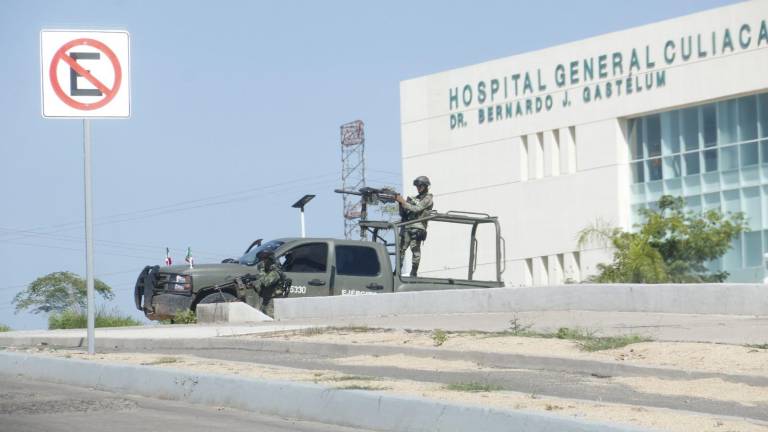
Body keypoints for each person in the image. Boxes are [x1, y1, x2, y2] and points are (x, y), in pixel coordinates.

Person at [396, 175, 434, 277]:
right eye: (417, 186)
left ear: (425, 186)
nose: (418, 188)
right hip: (407, 225)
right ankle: (397, 271)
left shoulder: (428, 198)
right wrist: (400, 204)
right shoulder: (414, 198)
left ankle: (414, 272)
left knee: (415, 249)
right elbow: (404, 213)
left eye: (420, 186)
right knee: (400, 249)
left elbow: (417, 209)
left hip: (418, 226)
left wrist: (403, 202)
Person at [249, 250, 287, 317]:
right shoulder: (267, 273)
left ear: (269, 260)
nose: (261, 262)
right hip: (266, 302)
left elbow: (266, 282)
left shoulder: (275, 273)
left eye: (263, 260)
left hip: (271, 305)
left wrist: (261, 269)